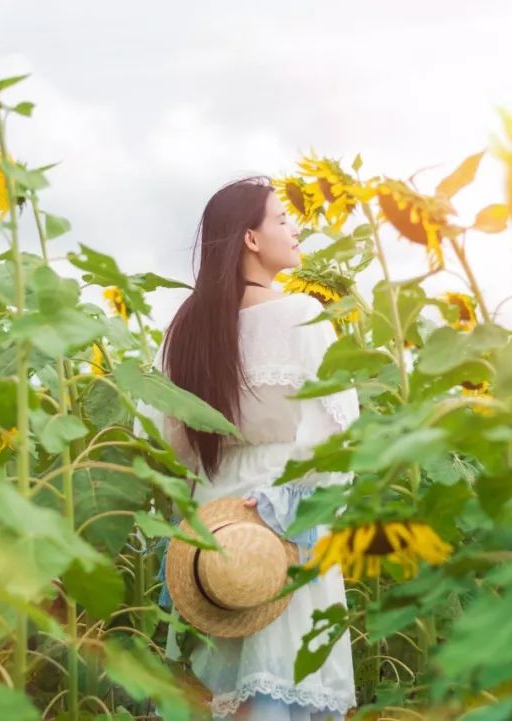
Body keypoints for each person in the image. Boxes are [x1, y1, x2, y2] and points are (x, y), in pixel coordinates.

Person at [132, 175, 360, 720]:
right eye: (282, 219)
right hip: (287, 508)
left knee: (227, 687)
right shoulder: (303, 315)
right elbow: (336, 438)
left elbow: (169, 441)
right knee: (285, 674)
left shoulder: (187, 328)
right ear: (251, 239)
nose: (295, 227)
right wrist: (289, 502)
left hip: (218, 521)